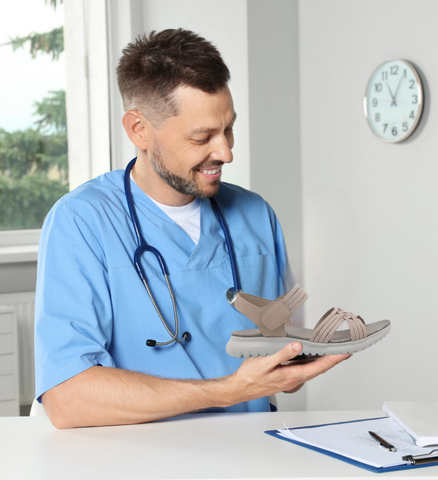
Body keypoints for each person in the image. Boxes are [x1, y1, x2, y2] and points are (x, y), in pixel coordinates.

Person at [34, 29, 351, 429]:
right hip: (140, 456)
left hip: (252, 447)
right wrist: (228, 391)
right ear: (139, 129)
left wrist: (296, 360)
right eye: (202, 137)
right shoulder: (81, 222)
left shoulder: (255, 215)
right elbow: (67, 399)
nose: (226, 152)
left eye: (228, 129)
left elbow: (278, 360)